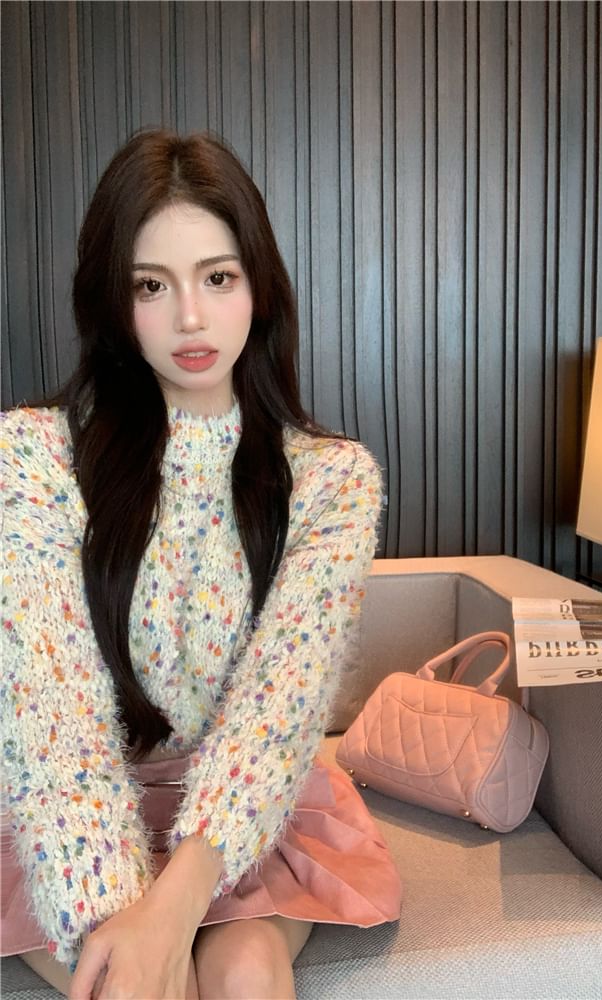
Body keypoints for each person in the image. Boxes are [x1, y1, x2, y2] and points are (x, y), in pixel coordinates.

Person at [0, 129, 401, 1000]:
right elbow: (52, 722)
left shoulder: (332, 479)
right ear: (113, 300)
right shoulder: (31, 457)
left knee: (247, 973)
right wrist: (125, 923)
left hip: (243, 809)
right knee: (137, 984)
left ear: (259, 286)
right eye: (151, 285)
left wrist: (177, 903)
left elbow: (280, 709)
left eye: (218, 278)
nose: (190, 317)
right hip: (72, 814)